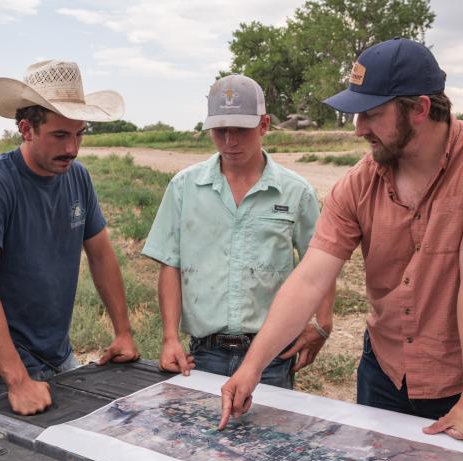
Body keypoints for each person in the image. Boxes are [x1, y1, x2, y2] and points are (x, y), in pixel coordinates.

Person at [219, 38, 463, 440]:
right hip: (385, 374)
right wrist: (252, 367)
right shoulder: (357, 184)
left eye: (371, 114)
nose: (358, 130)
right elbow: (311, 278)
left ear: (419, 109)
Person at [0, 60, 139, 415]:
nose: (72, 148)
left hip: (59, 356)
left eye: (79, 134)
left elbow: (101, 255)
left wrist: (123, 332)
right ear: (26, 129)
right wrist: (19, 381)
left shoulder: (77, 177)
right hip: (0, 368)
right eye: (60, 135)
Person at [142, 74, 335, 388]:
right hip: (204, 354)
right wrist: (169, 338)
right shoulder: (185, 187)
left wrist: (323, 321)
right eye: (221, 131)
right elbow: (170, 264)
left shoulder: (295, 192)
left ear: (264, 125)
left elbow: (322, 261)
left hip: (272, 354)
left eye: (241, 130)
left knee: (269, 437)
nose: (230, 142)